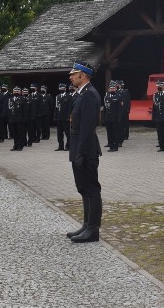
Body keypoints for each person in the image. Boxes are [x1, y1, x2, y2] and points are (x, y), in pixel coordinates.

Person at [66, 61, 103, 243]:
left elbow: (87, 128)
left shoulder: (89, 95)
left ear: (84, 75)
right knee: (83, 188)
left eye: (74, 74)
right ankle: (86, 225)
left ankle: (93, 230)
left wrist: (80, 153)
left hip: (86, 150)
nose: (71, 77)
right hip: (79, 149)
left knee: (91, 189)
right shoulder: (80, 94)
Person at [103, 81, 122, 152]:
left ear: (115, 89)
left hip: (115, 118)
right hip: (108, 118)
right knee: (109, 133)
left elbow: (120, 109)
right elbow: (105, 108)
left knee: (115, 133)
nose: (112, 89)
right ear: (109, 89)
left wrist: (119, 117)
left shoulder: (118, 96)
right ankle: (111, 146)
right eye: (111, 88)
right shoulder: (106, 96)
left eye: (113, 88)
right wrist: (104, 118)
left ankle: (115, 146)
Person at [54, 83, 71, 151]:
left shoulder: (68, 96)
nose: (61, 89)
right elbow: (56, 107)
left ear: (65, 89)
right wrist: (55, 116)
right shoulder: (57, 96)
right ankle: (60, 146)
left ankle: (68, 146)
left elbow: (69, 108)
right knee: (59, 133)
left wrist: (68, 116)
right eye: (60, 88)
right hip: (59, 117)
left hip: (65, 117)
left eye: (62, 88)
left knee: (67, 132)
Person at [9, 87, 26, 151]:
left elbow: (25, 110)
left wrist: (24, 119)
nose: (16, 92)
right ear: (13, 92)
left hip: (20, 119)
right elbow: (9, 109)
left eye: (17, 91)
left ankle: (20, 146)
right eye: (15, 91)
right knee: (14, 133)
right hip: (12, 119)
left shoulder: (23, 99)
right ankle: (15, 145)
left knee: (20, 133)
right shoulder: (10, 99)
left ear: (20, 92)